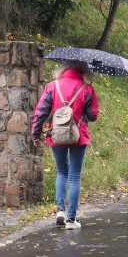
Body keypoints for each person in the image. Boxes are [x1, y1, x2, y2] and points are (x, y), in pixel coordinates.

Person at [31, 60, 100, 230]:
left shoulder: (52, 86)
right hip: (78, 135)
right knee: (75, 176)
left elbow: (41, 112)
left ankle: (60, 210)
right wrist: (89, 95)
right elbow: (92, 116)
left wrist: (36, 133)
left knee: (62, 172)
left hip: (57, 135)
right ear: (83, 71)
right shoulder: (87, 89)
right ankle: (71, 219)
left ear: (64, 68)